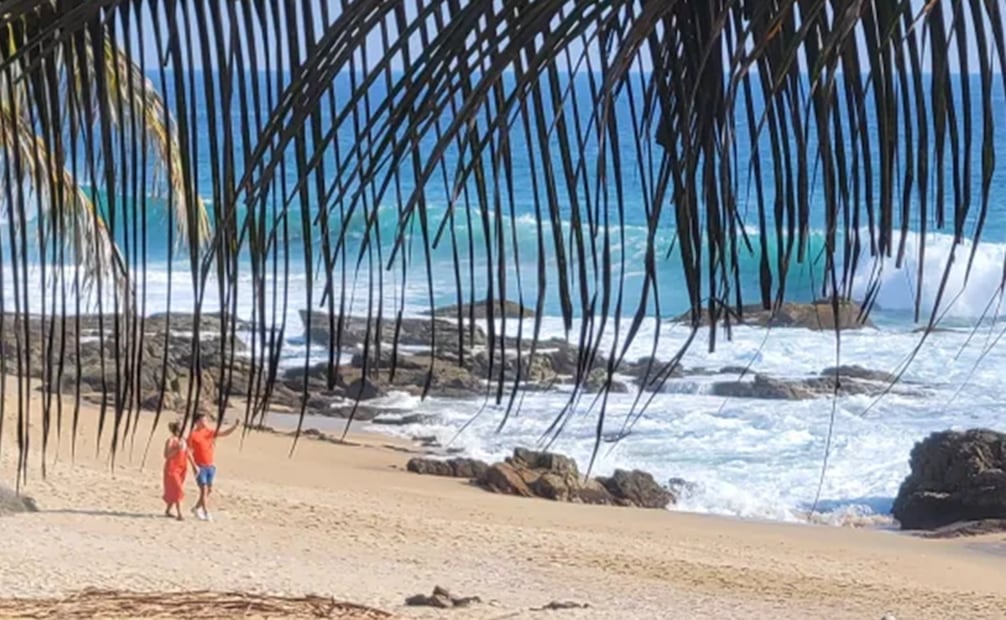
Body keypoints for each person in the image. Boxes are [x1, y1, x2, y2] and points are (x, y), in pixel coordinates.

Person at [188, 411, 240, 521]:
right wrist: (193, 466)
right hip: (200, 466)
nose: (205, 422)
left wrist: (234, 426)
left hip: (210, 466)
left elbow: (223, 433)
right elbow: (188, 451)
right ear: (197, 421)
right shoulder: (193, 435)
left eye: (206, 420)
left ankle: (196, 508)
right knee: (204, 489)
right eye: (203, 420)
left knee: (209, 490)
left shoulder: (209, 432)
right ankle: (206, 512)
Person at [162, 422, 195, 521]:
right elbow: (166, 455)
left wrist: (194, 466)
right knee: (178, 489)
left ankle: (168, 510)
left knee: (175, 490)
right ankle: (180, 514)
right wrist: (177, 449)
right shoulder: (171, 440)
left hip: (182, 468)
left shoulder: (184, 440)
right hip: (172, 468)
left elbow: (188, 454)